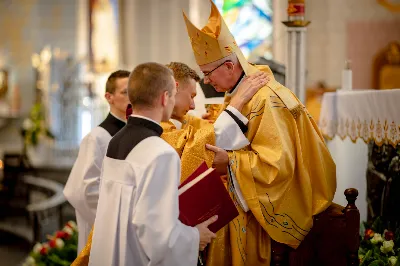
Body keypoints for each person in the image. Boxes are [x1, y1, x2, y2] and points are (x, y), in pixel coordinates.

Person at [183, 1, 337, 265]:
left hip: (260, 214)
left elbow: (278, 166)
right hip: (242, 197)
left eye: (208, 73)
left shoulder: (266, 99)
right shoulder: (242, 91)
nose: (206, 81)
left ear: (230, 67)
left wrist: (230, 162)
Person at [70, 62, 268, 266]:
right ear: (166, 97)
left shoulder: (117, 141)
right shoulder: (159, 152)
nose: (190, 106)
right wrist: (194, 237)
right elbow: (157, 235)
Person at [63, 70, 130, 253]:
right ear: (109, 97)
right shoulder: (98, 138)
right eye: (125, 92)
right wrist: (121, 216)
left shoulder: (136, 133)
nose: (131, 97)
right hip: (106, 229)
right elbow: (84, 191)